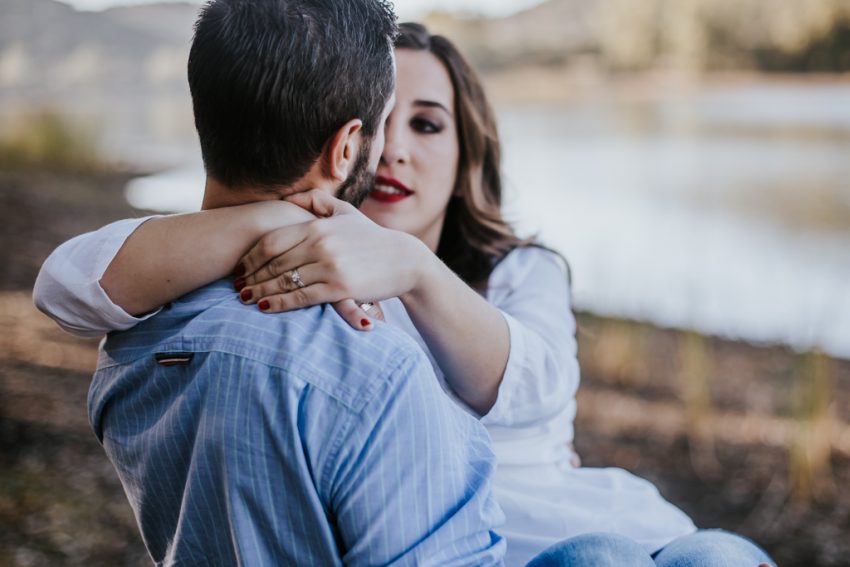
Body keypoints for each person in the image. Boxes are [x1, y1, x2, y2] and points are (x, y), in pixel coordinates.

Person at [34, 19, 775, 567]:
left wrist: (411, 269)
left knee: (715, 555)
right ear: (346, 138)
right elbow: (69, 284)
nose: (397, 150)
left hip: (572, 519)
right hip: (497, 551)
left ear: (466, 153)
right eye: (388, 122)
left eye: (428, 125)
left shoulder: (518, 269)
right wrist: (270, 214)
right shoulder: (286, 251)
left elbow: (536, 387)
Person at [39, 3, 510, 565]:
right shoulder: (375, 369)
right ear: (346, 146)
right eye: (385, 124)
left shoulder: (130, 342)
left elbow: (65, 285)